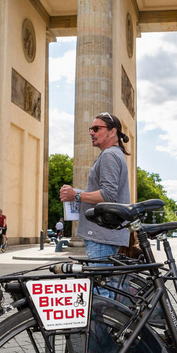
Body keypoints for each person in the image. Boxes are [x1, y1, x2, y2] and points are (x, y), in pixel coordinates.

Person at [59, 112, 131, 265]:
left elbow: (108, 195)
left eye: (97, 128)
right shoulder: (115, 154)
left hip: (100, 234)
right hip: (108, 233)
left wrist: (75, 196)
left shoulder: (109, 155)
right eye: (90, 129)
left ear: (113, 131)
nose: (92, 132)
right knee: (109, 286)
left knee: (101, 286)